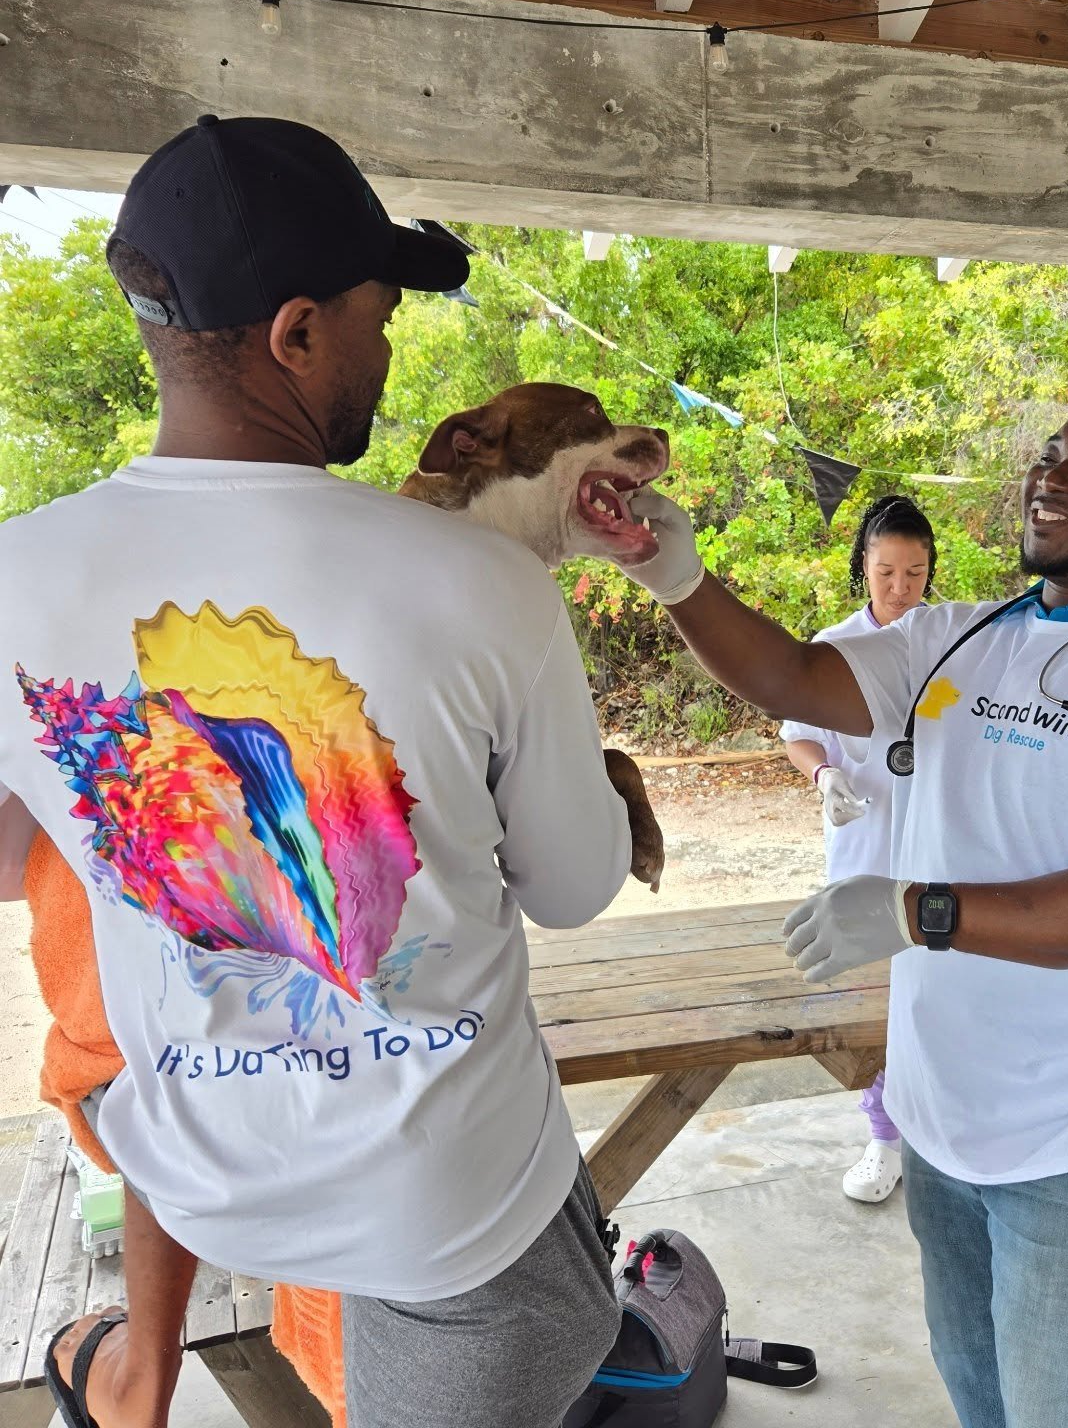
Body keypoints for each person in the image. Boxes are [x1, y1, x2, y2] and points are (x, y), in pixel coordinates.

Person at [0, 116, 627, 1428]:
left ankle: (133, 1366)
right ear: (296, 333)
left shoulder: (17, 580)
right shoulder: (482, 583)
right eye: (378, 316)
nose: (388, 352)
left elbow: (10, 861)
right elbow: (573, 889)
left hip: (202, 1174)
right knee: (530, 1306)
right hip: (444, 1214)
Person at [616, 391, 1068, 1428]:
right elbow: (788, 673)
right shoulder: (954, 638)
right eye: (1053, 455)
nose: (1053, 476)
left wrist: (919, 909)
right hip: (942, 1117)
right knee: (981, 1401)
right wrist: (676, 576)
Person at [780, 495, 936, 1203]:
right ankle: (882, 1138)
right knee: (875, 1002)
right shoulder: (834, 645)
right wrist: (826, 772)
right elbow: (797, 732)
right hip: (865, 840)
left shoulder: (953, 640)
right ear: (862, 571)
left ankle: (932, 1132)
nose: (900, 589)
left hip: (940, 847)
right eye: (885, 573)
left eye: (915, 572)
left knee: (936, 995)